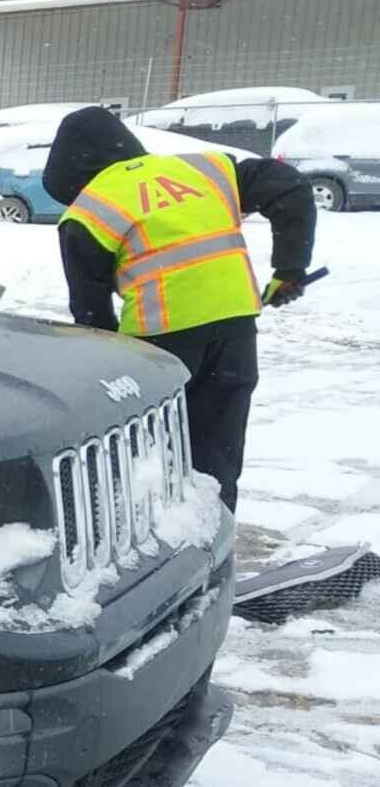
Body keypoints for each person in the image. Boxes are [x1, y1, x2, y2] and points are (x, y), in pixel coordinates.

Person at [42, 106, 316, 511]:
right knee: (218, 452)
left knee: (147, 457)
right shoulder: (203, 169)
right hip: (236, 333)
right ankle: (216, 538)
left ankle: (156, 550)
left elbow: (91, 315)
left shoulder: (88, 211)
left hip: (158, 347)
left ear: (71, 172)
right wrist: (290, 268)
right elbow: (289, 187)